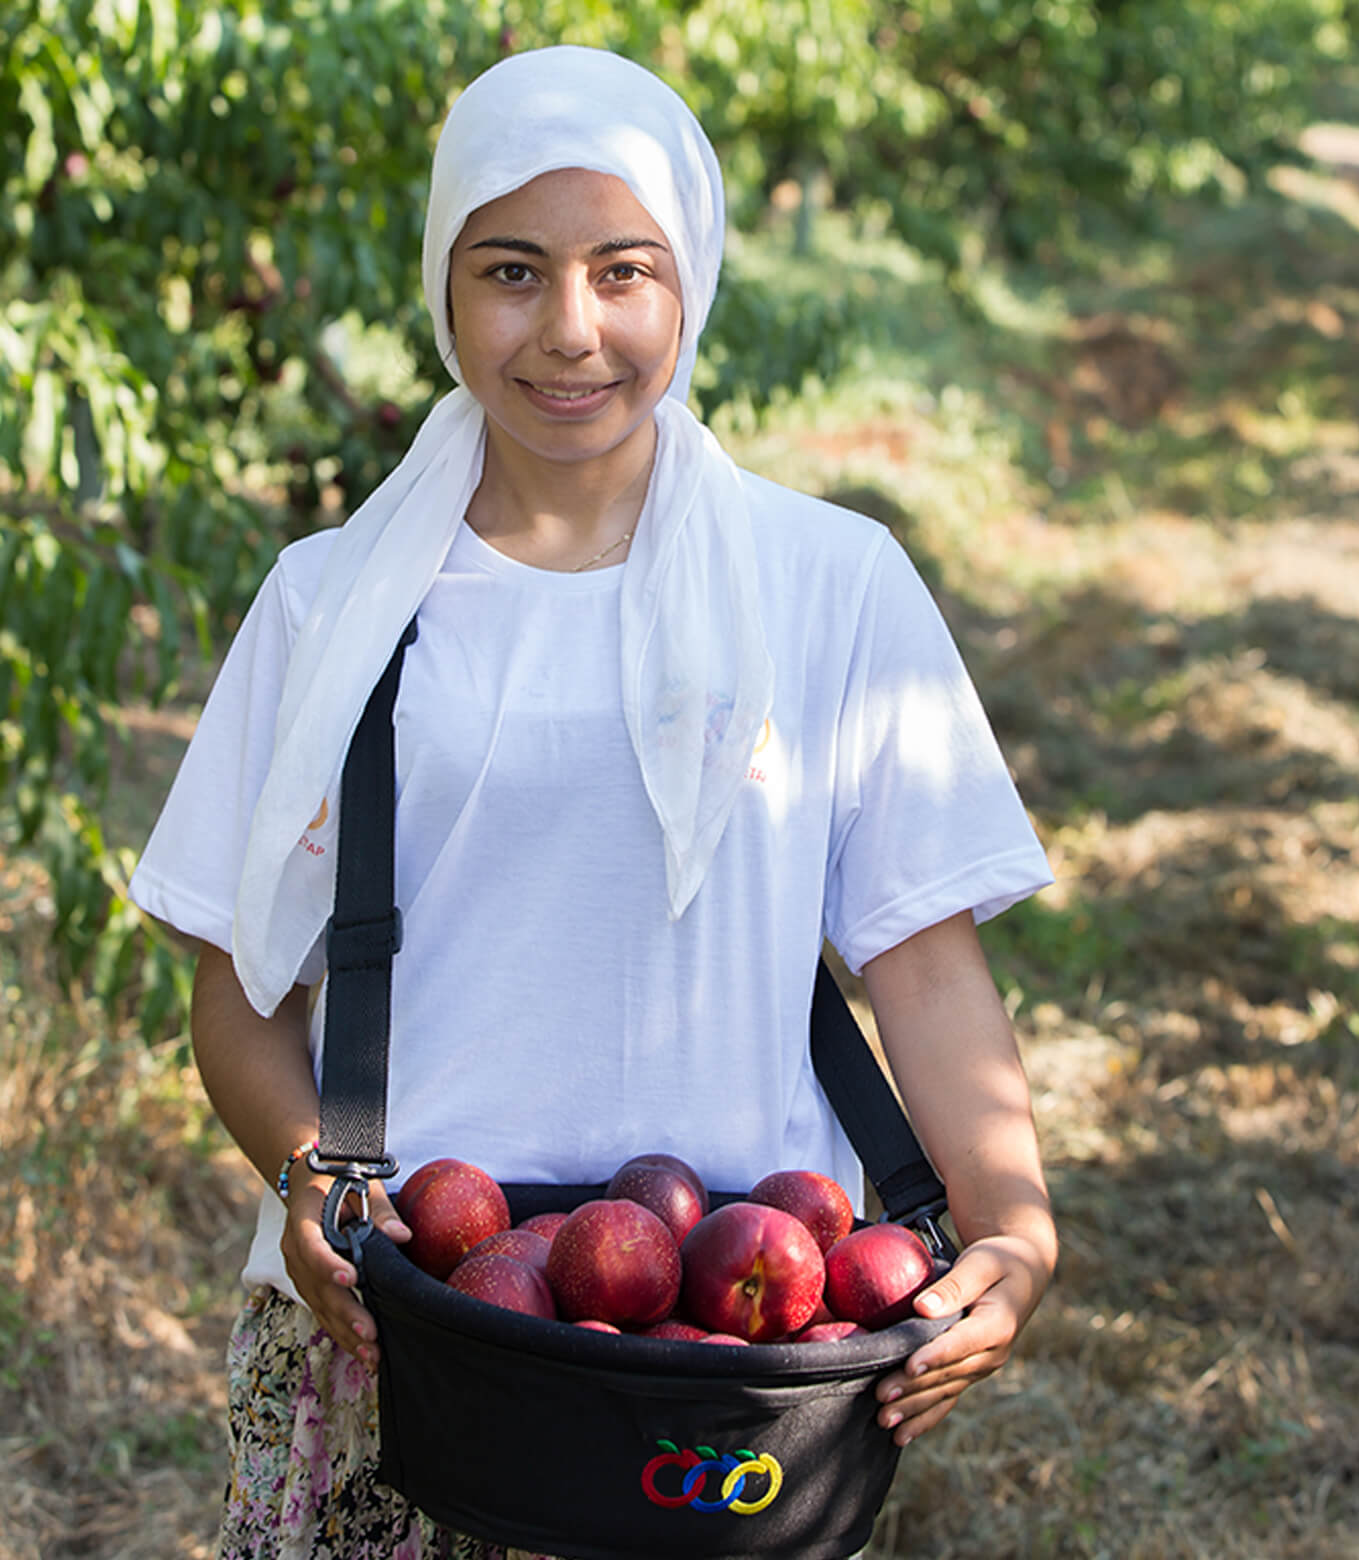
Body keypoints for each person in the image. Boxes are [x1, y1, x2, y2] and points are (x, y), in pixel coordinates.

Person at [129, 44, 1058, 1560]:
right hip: (407, 1331)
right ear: (442, 288)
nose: (570, 331)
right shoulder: (335, 605)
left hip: (732, 1358)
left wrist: (1014, 1228)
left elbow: (926, 970)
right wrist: (313, 1185)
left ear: (690, 280)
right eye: (510, 271)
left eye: (623, 270)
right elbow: (238, 998)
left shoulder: (828, 588)